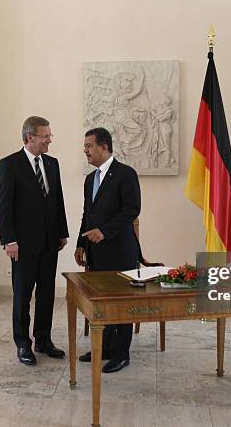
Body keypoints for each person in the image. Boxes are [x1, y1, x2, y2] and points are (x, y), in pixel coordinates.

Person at [0, 116, 69, 365]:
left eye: (49, 135)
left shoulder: (52, 163)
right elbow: (4, 207)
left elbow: (57, 200)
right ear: (30, 138)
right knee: (23, 295)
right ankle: (22, 343)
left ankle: (43, 340)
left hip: (50, 242)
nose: (50, 140)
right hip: (23, 245)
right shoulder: (9, 165)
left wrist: (62, 232)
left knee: (47, 293)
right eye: (46, 136)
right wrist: (9, 240)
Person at [74, 127, 141, 373]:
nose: (85, 151)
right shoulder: (89, 179)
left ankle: (121, 353)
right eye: (85, 146)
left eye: (89, 146)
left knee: (121, 304)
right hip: (96, 253)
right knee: (100, 303)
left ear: (104, 146)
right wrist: (81, 244)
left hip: (121, 251)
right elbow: (87, 214)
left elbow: (132, 210)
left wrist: (104, 231)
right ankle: (103, 347)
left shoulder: (126, 174)